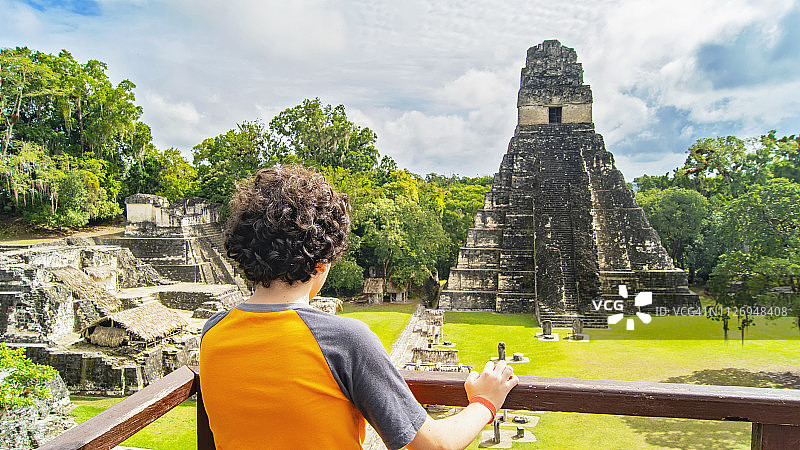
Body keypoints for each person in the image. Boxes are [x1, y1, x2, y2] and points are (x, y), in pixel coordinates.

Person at [200, 165, 519, 449]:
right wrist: (484, 402)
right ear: (322, 261)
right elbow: (435, 445)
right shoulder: (344, 340)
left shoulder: (213, 332)